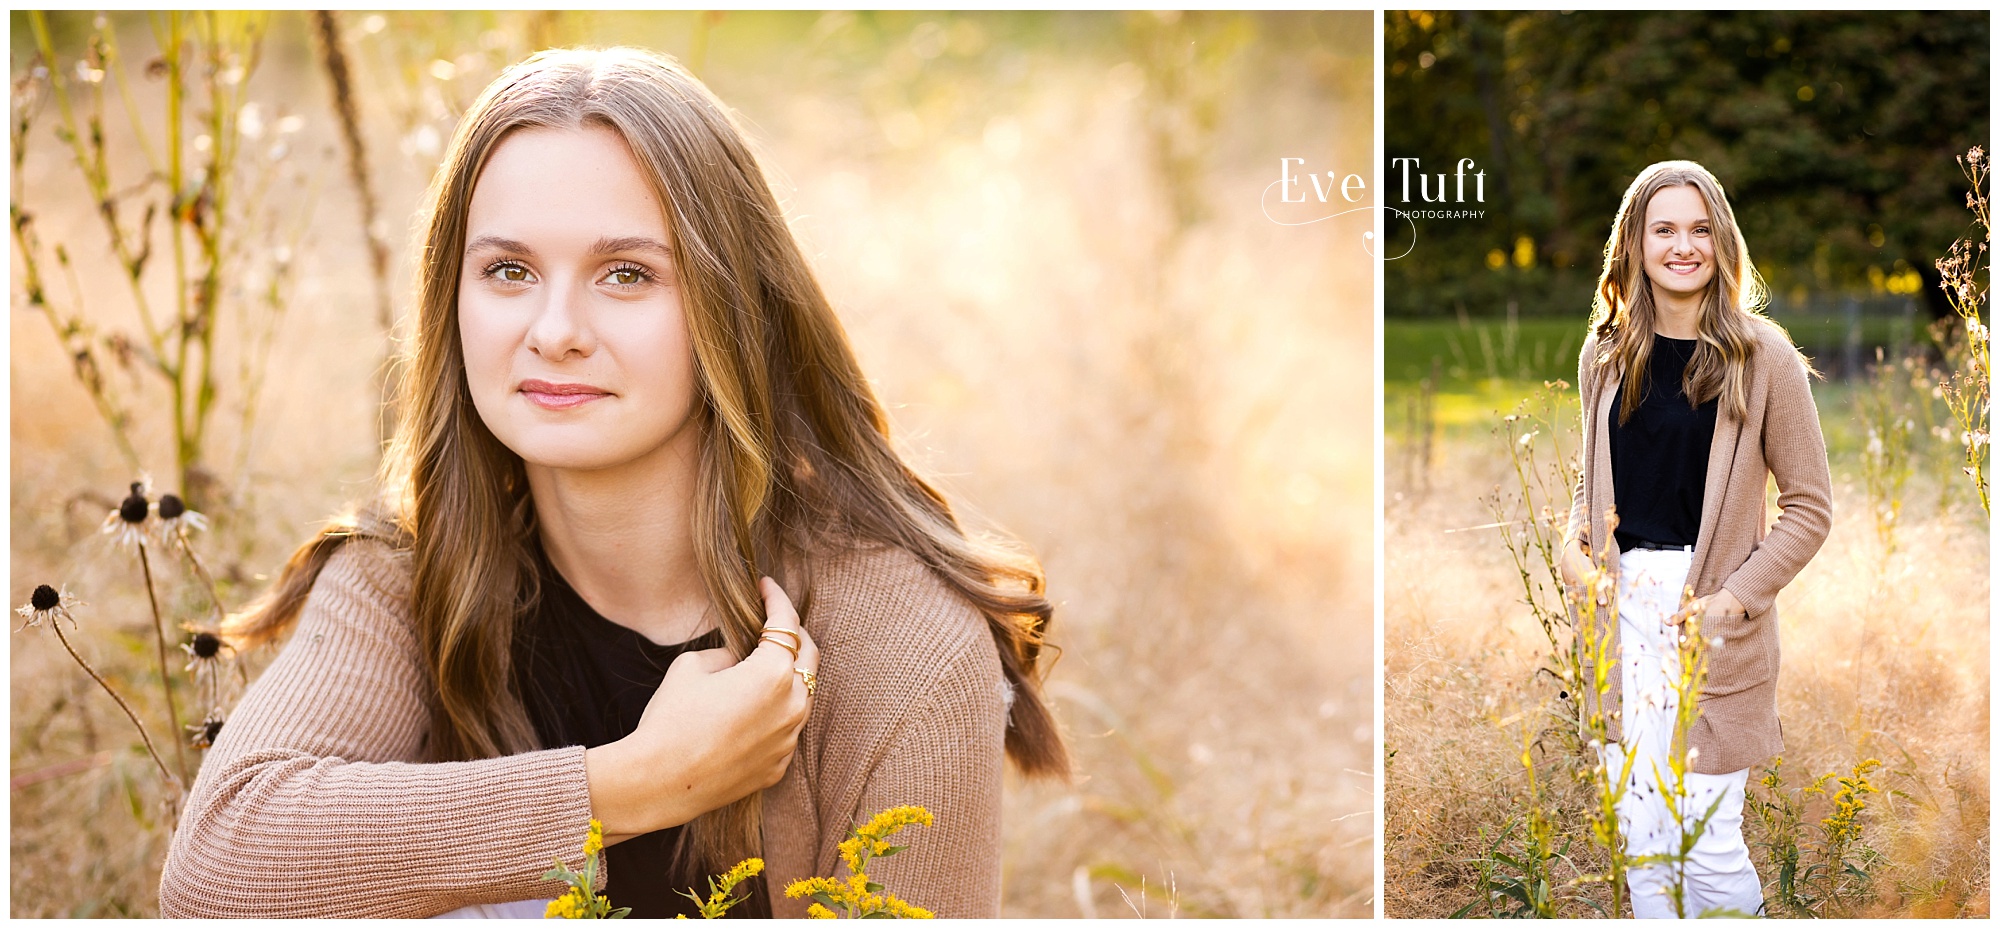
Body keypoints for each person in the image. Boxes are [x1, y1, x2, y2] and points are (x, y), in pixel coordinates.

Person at [158, 46, 1067, 919]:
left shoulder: (901, 645)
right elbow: (216, 870)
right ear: (453, 300)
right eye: (508, 270)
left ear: (731, 305)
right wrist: (630, 784)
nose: (555, 330)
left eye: (625, 274)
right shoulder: (408, 578)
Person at [1560, 160, 1832, 919]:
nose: (1685, 245)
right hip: (1622, 624)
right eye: (1665, 229)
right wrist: (1574, 547)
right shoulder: (1605, 356)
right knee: (1644, 847)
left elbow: (1810, 507)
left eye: (1700, 228)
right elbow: (1593, 489)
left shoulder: (1764, 357)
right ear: (1635, 244)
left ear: (1722, 239)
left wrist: (1733, 601)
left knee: (1709, 851)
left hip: (1710, 618)